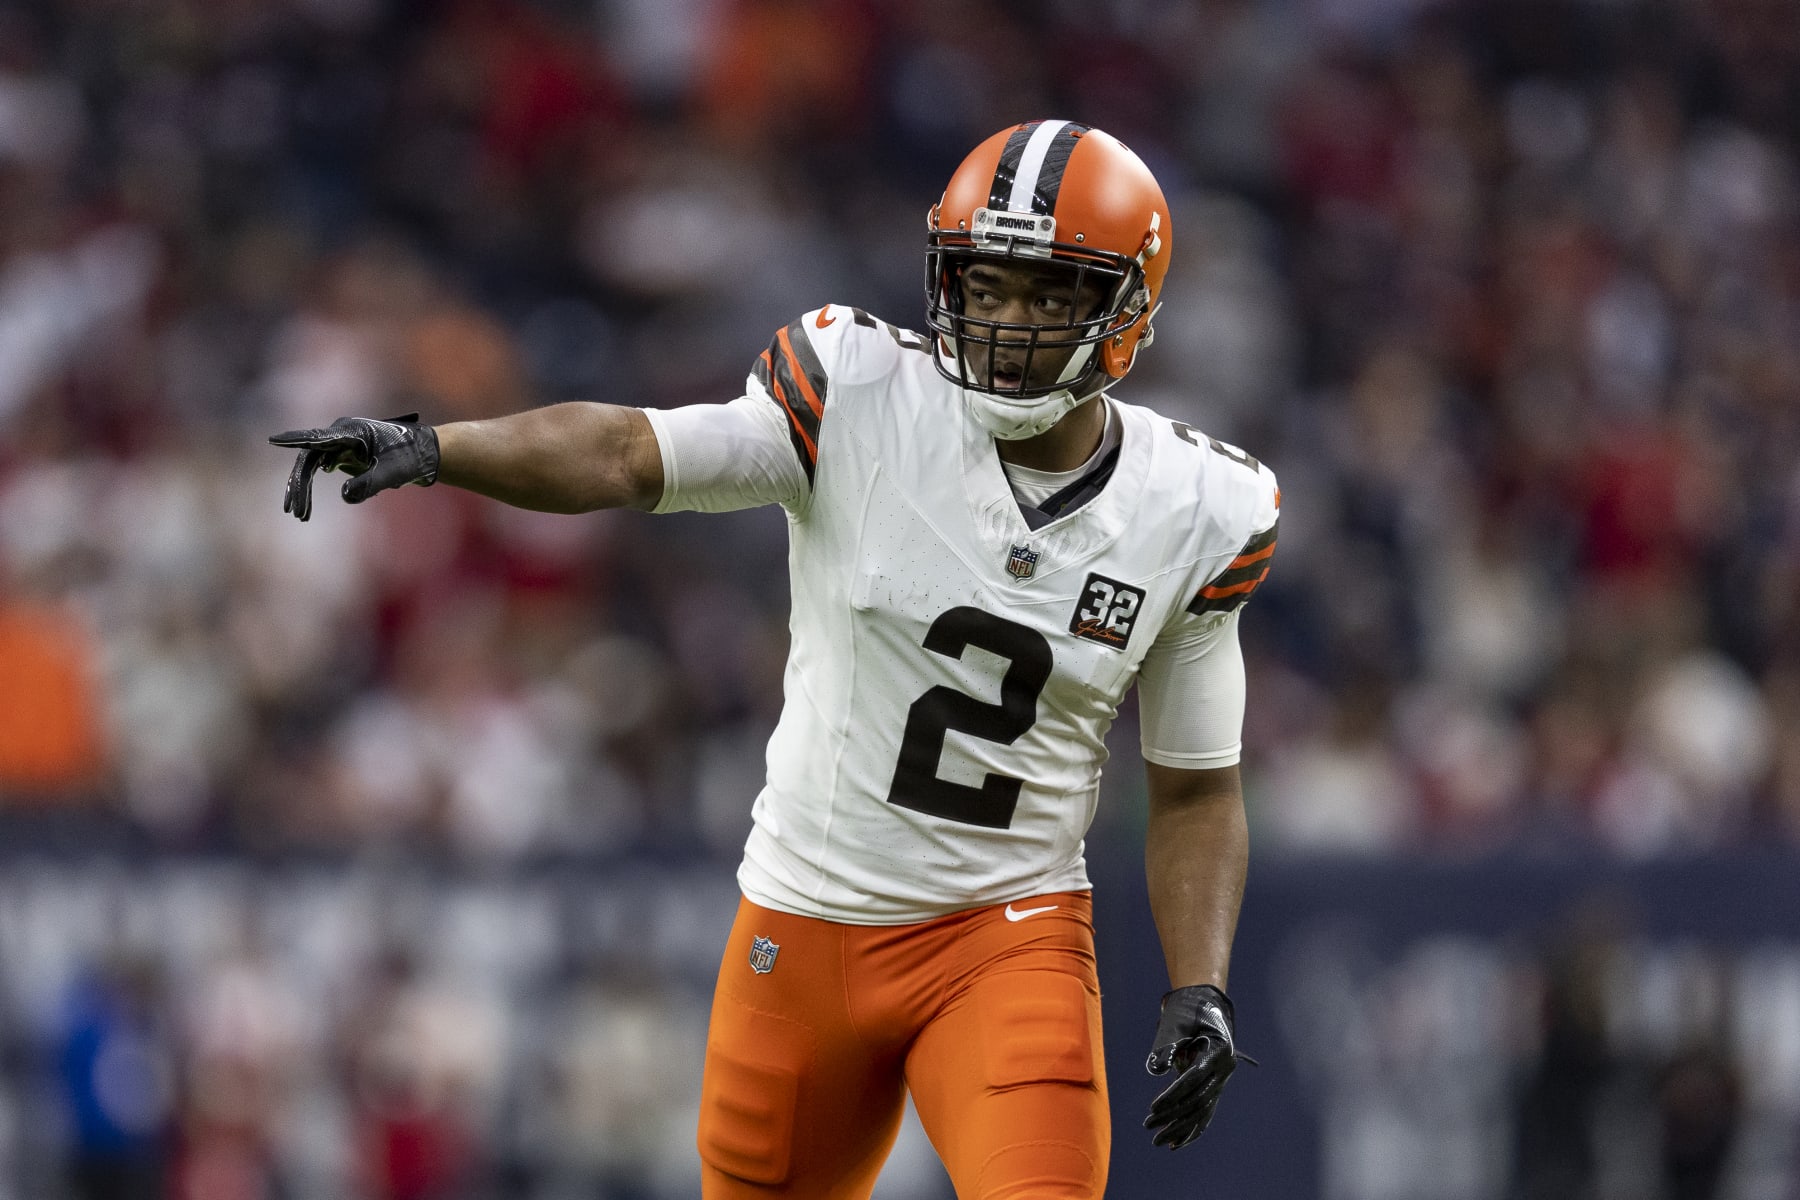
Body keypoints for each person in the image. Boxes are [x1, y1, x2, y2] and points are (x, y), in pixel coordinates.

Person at [273, 119, 1276, 1199]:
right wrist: (435, 448)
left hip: (1006, 934)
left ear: (1126, 315)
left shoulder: (1198, 509)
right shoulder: (854, 391)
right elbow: (626, 450)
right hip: (802, 928)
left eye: (1048, 295)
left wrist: (1201, 985)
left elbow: (1195, 787)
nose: (1006, 322)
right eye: (987, 287)